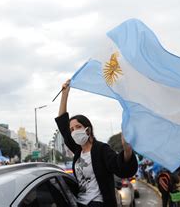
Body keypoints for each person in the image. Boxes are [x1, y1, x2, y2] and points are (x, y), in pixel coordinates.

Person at [55, 79, 138, 207]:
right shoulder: (78, 151)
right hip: (80, 203)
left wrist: (127, 149)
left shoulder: (101, 149)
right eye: (72, 129)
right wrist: (64, 94)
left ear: (88, 130)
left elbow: (120, 166)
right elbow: (62, 124)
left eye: (78, 127)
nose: (74, 131)